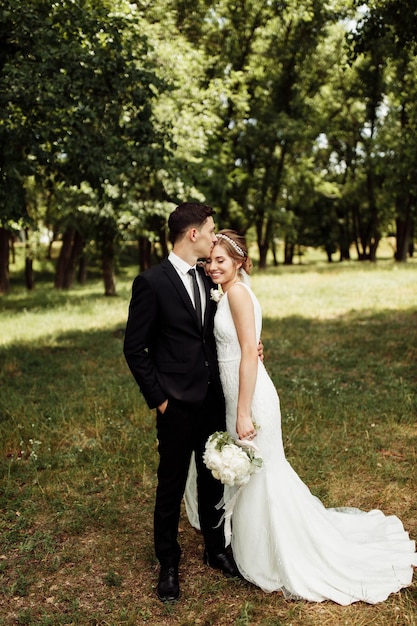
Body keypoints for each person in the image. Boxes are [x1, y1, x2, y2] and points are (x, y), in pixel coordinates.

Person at [193, 228, 417, 605]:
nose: (213, 267)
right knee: (254, 477)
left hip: (250, 398)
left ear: (239, 263)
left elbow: (249, 353)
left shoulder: (238, 295)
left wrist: (244, 411)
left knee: (264, 474)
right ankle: (254, 545)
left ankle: (277, 553)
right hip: (237, 394)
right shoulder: (228, 292)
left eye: (221, 261)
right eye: (210, 260)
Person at [123, 203, 242, 603]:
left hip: (210, 398)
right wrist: (160, 401)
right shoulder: (151, 283)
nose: (213, 237)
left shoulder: (210, 278)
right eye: (210, 231)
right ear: (193, 235)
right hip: (175, 405)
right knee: (171, 483)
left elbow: (218, 332)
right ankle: (168, 563)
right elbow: (134, 349)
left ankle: (215, 549)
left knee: (212, 477)